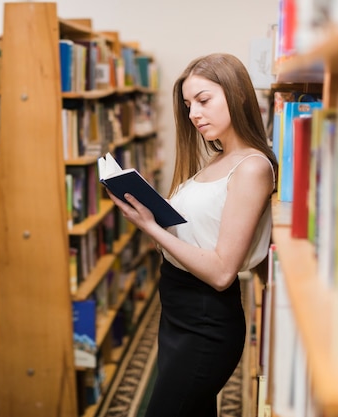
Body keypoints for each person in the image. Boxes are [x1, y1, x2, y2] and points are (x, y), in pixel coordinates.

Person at [106, 53, 277, 416]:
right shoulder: (218, 159)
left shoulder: (252, 167)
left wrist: (150, 226)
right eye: (187, 105)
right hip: (177, 308)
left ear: (238, 94)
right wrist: (158, 221)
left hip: (205, 321)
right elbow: (198, 235)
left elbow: (220, 272)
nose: (193, 114)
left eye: (203, 100)